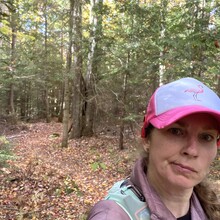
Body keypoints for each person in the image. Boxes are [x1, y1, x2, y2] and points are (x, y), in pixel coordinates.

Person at [87, 77, 220, 220]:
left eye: (206, 137)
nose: (192, 150)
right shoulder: (113, 215)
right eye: (176, 131)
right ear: (147, 139)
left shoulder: (209, 207)